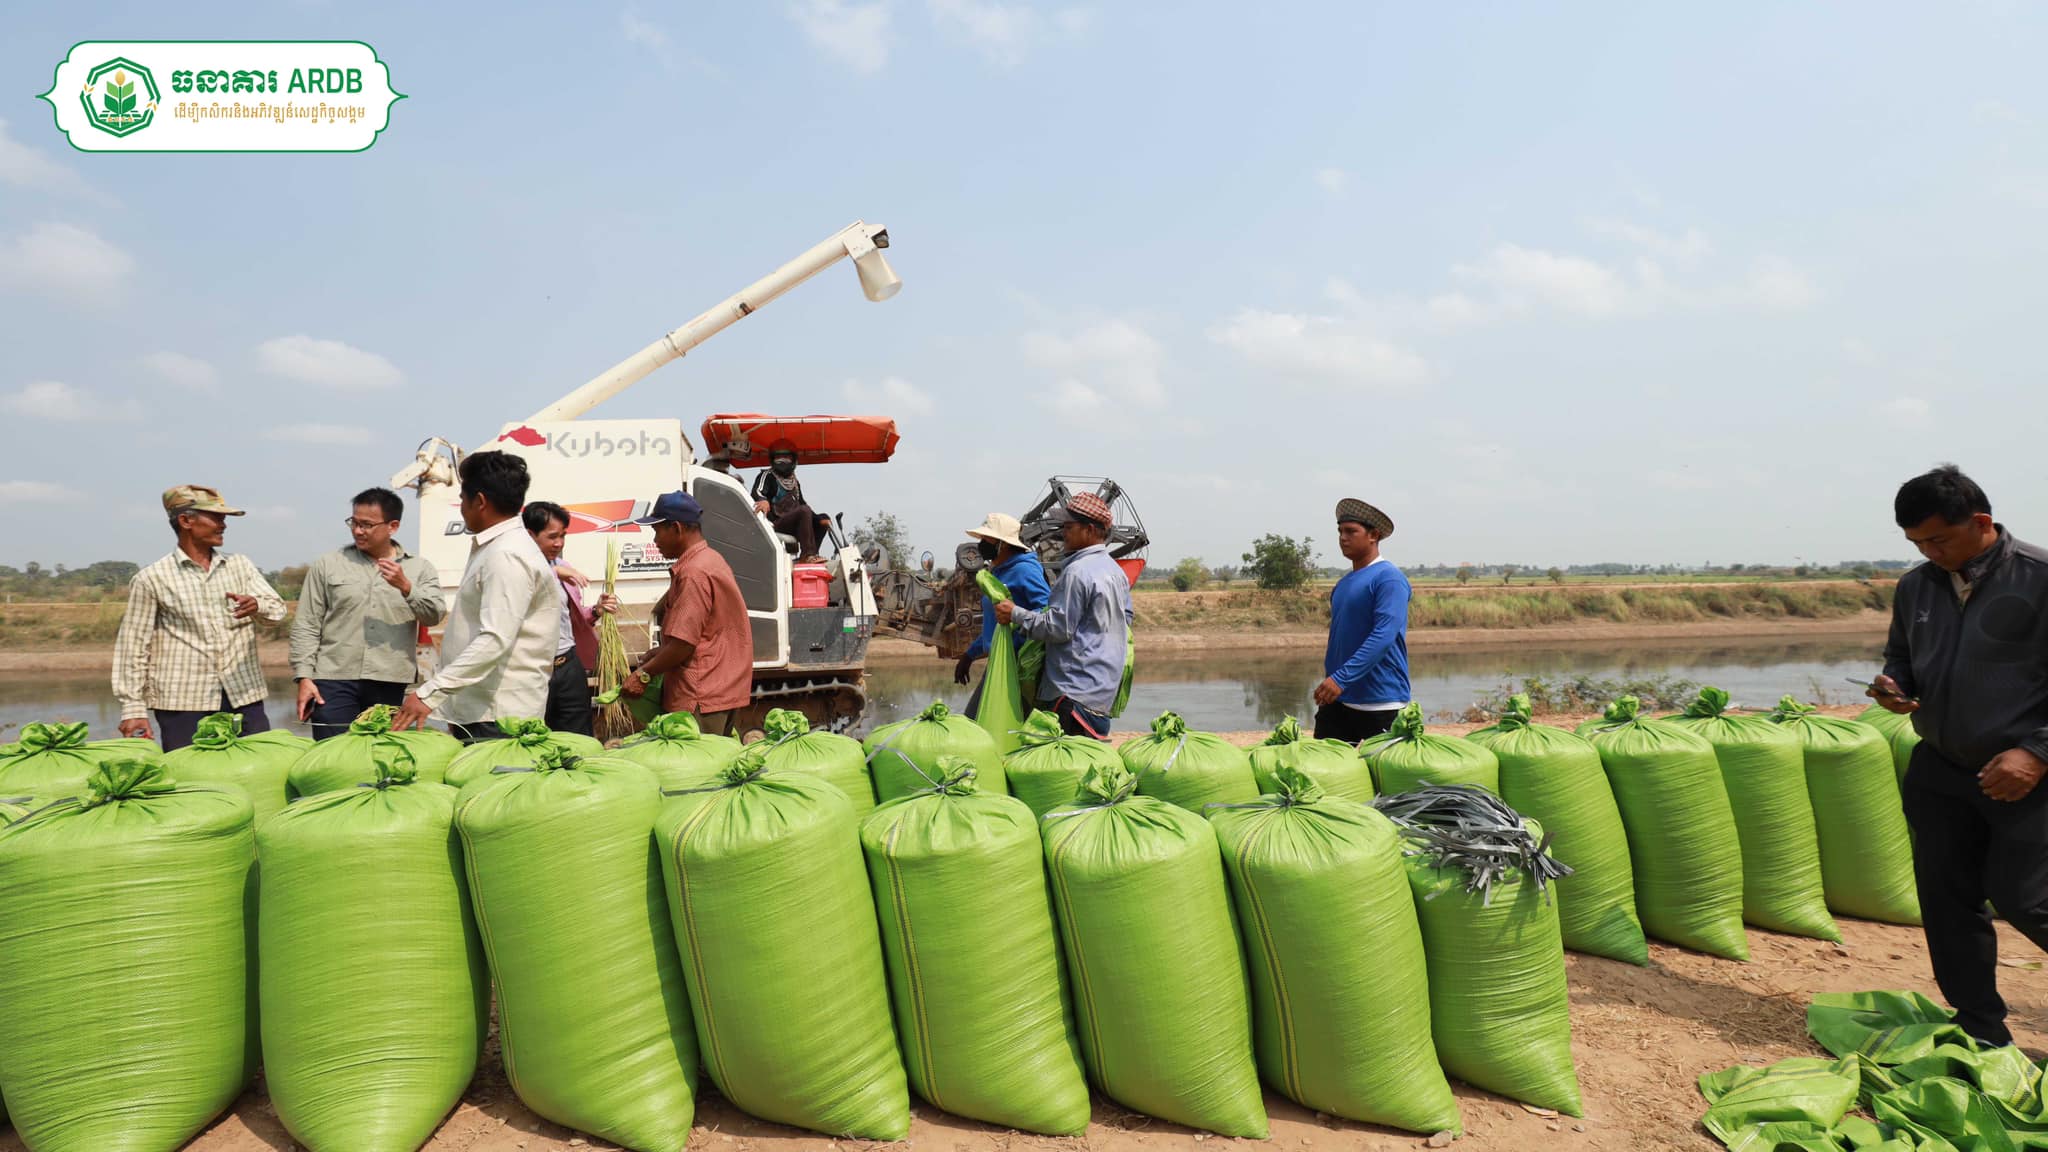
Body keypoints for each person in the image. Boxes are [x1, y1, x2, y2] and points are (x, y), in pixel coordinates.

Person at [1872, 464, 2048, 1047]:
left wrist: (2036, 752)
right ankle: (1980, 1027)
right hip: (1941, 767)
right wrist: (1895, 686)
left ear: (1981, 522)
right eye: (1917, 543)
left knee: (2028, 899)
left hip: (2025, 776)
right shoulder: (1917, 586)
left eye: (1939, 539)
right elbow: (1901, 656)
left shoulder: (2040, 578)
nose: (1929, 552)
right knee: (1947, 899)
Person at [394, 451, 556, 743]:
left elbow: (495, 639)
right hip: (482, 710)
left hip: (499, 716)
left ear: (479, 501)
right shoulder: (497, 547)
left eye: (462, 499)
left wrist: (430, 693)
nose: (461, 508)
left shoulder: (506, 554)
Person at [113, 485, 288, 750]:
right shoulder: (152, 579)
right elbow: (134, 646)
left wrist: (257, 605)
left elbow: (277, 611)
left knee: (259, 766)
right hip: (183, 703)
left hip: (243, 695)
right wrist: (133, 708)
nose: (223, 525)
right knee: (189, 773)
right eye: (216, 518)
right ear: (186, 521)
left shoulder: (239, 565)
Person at [290, 487, 446, 740]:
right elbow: (307, 623)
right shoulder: (328, 565)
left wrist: (406, 587)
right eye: (354, 522)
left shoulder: (420, 569)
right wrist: (304, 676)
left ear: (393, 526)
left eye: (367, 525)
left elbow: (433, 616)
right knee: (333, 752)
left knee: (381, 752)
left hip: (390, 679)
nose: (358, 531)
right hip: (333, 678)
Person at [995, 492, 1132, 740]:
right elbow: (1127, 620)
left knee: (1058, 760)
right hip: (1102, 694)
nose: (1063, 533)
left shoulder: (1077, 572)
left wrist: (1014, 613)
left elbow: (1058, 628)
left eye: (1069, 527)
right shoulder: (1116, 572)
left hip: (1071, 694)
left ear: (1090, 530)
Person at [621, 491, 753, 736]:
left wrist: (643, 675)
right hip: (720, 688)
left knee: (697, 760)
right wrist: (661, 653)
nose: (655, 540)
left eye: (657, 531)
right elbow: (706, 631)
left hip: (700, 694)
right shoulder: (712, 559)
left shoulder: (693, 573)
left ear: (677, 528)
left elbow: (683, 644)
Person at [1313, 498, 1411, 743]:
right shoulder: (1344, 583)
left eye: (1351, 531)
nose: (1343, 538)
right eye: (1340, 531)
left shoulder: (1388, 579)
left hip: (1380, 702)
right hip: (1338, 700)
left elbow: (1384, 635)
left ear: (1373, 535)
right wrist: (1335, 681)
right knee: (1326, 765)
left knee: (1381, 768)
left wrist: (1340, 678)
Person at [522, 500, 618, 738]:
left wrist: (596, 610)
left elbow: (569, 617)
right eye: (552, 537)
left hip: (568, 664)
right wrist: (552, 572)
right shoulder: (517, 567)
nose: (559, 543)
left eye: (563, 536)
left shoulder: (562, 566)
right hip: (534, 669)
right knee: (536, 737)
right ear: (530, 535)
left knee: (579, 736)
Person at [955, 512, 1050, 717]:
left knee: (978, 720)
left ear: (1003, 544)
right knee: (980, 721)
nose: (981, 544)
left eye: (986, 539)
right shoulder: (998, 572)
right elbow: (997, 624)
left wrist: (1016, 616)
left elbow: (1046, 613)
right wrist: (969, 655)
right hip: (999, 660)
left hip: (1019, 666)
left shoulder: (1025, 570)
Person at [751, 442, 825, 563]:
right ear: (772, 460)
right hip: (776, 523)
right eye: (779, 458)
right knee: (804, 510)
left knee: (822, 520)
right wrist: (762, 500)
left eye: (786, 457)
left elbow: (802, 503)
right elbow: (757, 491)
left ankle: (813, 555)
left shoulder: (794, 481)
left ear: (793, 460)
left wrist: (818, 519)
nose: (782, 461)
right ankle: (808, 555)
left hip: (794, 523)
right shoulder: (767, 475)